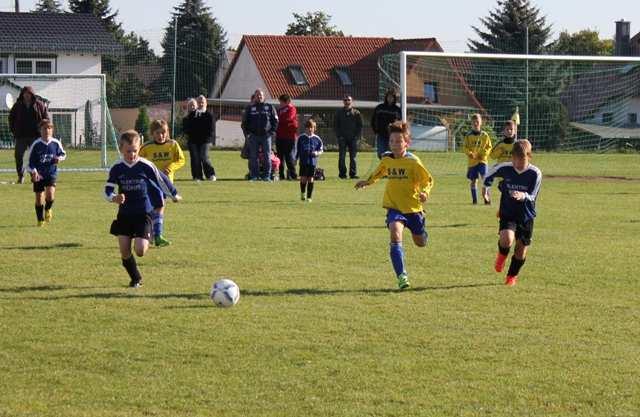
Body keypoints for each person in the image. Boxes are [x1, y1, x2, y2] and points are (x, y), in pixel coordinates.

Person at [355, 121, 434, 289]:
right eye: (392, 141)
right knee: (395, 234)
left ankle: (422, 229)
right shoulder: (387, 159)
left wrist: (425, 193)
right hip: (394, 207)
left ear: (407, 143)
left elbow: (428, 180)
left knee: (420, 242)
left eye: (399, 141)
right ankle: (402, 277)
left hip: (413, 208)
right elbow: (379, 172)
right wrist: (367, 182)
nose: (395, 145)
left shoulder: (414, 162)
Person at [104, 130, 172, 288]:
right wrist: (114, 197)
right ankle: (136, 279)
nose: (132, 154)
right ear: (121, 149)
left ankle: (151, 234)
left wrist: (173, 193)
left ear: (139, 148)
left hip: (143, 214)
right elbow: (107, 189)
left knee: (140, 250)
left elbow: (161, 179)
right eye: (128, 151)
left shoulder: (145, 165)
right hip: (125, 215)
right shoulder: (117, 168)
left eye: (135, 150)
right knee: (124, 251)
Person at [483, 139, 542, 287]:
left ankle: (511, 276)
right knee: (507, 239)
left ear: (529, 156)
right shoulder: (505, 168)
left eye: (522, 159)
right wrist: (486, 188)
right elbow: (488, 174)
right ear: (512, 157)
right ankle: (501, 256)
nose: (518, 162)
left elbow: (533, 196)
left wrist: (523, 196)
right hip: (508, 212)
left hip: (526, 215)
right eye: (515, 159)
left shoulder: (535, 173)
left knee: (520, 251)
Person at [139, 119, 185, 247]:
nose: (161, 136)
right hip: (150, 184)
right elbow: (137, 160)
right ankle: (156, 235)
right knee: (157, 208)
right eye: (158, 133)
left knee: (158, 208)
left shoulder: (173, 144)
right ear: (152, 134)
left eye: (164, 132)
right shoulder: (147, 147)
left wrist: (171, 167)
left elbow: (181, 160)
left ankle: (153, 234)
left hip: (166, 184)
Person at [26, 119, 66, 227]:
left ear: (52, 130)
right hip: (38, 175)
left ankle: (48, 209)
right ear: (40, 130)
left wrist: (59, 158)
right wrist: (34, 172)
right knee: (39, 199)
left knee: (50, 195)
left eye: (49, 128)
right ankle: (40, 220)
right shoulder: (36, 144)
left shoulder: (56, 143)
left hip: (51, 173)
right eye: (44, 128)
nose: (47, 130)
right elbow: (30, 163)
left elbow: (63, 154)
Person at [8, 86, 50, 184]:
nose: (27, 95)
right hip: (21, 136)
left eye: (29, 93)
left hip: (35, 136)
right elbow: (11, 118)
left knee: (35, 157)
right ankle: (21, 176)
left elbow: (47, 118)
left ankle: (34, 176)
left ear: (32, 94)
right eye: (25, 93)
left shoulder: (39, 105)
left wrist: (43, 129)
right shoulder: (17, 105)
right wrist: (14, 131)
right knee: (18, 156)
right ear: (22, 94)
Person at [241, 89, 278, 181]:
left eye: (261, 95)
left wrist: (271, 132)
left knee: (267, 156)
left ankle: (267, 176)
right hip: (253, 136)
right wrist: (247, 134)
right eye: (257, 95)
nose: (259, 97)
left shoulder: (270, 107)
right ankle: (254, 176)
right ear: (255, 97)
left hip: (266, 136)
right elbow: (244, 123)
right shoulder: (249, 108)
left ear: (264, 97)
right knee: (253, 156)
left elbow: (275, 121)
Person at [183, 95, 216, 181]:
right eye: (199, 102)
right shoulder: (191, 115)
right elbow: (186, 127)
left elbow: (211, 129)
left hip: (205, 141)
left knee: (204, 157)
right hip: (193, 141)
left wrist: (208, 139)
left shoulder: (209, 115)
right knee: (195, 158)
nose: (201, 104)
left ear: (206, 104)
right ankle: (197, 176)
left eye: (202, 102)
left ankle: (210, 174)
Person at [485, 120, 518, 203]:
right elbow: (492, 156)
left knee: (512, 194)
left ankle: (509, 208)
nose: (509, 131)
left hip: (514, 173)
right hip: (502, 175)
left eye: (511, 129)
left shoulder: (517, 145)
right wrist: (500, 151)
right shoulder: (500, 144)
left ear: (515, 131)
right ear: (504, 131)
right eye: (507, 129)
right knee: (505, 191)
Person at [463, 113, 492, 205]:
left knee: (484, 178)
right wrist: (470, 153)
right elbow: (465, 147)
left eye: (477, 122)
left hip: (482, 161)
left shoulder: (485, 135)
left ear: (481, 123)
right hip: (472, 162)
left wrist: (484, 154)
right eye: (474, 122)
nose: (476, 124)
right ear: (471, 123)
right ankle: (474, 200)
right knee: (473, 181)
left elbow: (489, 147)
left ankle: (487, 198)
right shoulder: (468, 136)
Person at [334, 95, 363, 179]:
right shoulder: (338, 113)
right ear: (343, 102)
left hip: (353, 138)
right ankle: (342, 174)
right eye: (345, 100)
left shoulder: (356, 113)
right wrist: (339, 136)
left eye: (348, 100)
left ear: (351, 101)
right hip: (342, 138)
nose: (347, 101)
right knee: (342, 157)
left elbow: (360, 126)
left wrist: (356, 137)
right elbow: (336, 126)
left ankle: (353, 174)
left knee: (353, 157)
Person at [296, 119, 323, 202]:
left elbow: (321, 150)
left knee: (310, 179)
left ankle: (309, 197)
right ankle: (302, 194)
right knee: (303, 178)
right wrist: (295, 159)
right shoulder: (301, 138)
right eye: (308, 127)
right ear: (305, 128)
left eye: (311, 127)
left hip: (312, 162)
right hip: (303, 161)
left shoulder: (317, 139)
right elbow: (297, 150)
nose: (310, 129)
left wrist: (316, 153)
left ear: (314, 128)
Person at [371, 89, 401, 158]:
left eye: (392, 97)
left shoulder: (397, 110)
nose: (390, 99)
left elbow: (399, 122)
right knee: (381, 153)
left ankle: (390, 167)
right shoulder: (380, 108)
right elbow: (373, 120)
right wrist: (375, 130)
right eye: (388, 97)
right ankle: (384, 166)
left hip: (392, 135)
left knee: (392, 153)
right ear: (386, 98)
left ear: (394, 98)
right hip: (381, 134)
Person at [275, 94, 298, 180]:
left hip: (289, 137)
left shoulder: (291, 108)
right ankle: (281, 175)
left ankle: (293, 175)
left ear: (286, 101)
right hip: (280, 136)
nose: (280, 103)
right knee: (280, 157)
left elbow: (289, 118)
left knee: (289, 156)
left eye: (281, 102)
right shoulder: (279, 110)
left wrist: (279, 119)